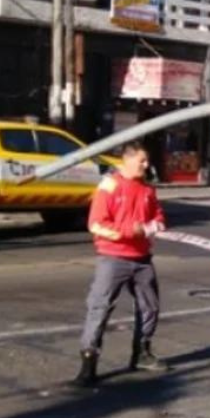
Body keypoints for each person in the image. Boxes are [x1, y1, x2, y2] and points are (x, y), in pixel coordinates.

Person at [73, 142, 167, 387]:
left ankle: (142, 354)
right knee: (100, 308)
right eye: (142, 161)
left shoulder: (147, 188)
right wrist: (131, 231)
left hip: (142, 259)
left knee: (150, 308)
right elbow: (96, 224)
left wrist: (156, 224)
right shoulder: (110, 186)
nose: (146, 166)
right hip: (113, 258)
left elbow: (157, 214)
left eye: (147, 161)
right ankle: (88, 362)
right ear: (127, 160)